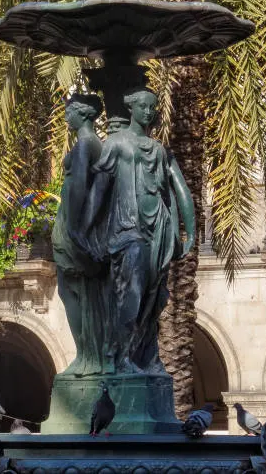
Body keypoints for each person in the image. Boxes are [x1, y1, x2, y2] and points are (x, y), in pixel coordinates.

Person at [82, 87, 195, 374]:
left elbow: (181, 189)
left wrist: (190, 230)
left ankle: (145, 354)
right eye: (144, 106)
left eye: (153, 107)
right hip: (128, 229)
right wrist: (87, 226)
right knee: (130, 294)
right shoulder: (116, 144)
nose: (149, 111)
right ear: (131, 109)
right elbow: (99, 189)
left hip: (159, 227)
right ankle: (119, 357)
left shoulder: (160, 150)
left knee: (153, 297)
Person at [52, 93, 113, 376]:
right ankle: (90, 354)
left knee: (72, 291)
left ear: (84, 114)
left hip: (73, 226)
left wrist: (76, 228)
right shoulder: (94, 144)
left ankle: (87, 356)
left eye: (71, 110)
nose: (66, 116)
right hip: (79, 225)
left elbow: (79, 188)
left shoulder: (86, 144)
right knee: (84, 293)